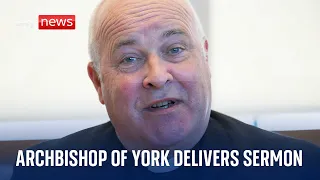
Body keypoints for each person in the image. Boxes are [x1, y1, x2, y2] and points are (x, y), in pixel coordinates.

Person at [10, 0, 320, 180]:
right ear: (98, 82)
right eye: (129, 58)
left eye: (175, 49)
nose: (157, 77)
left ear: (206, 59)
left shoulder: (298, 167)